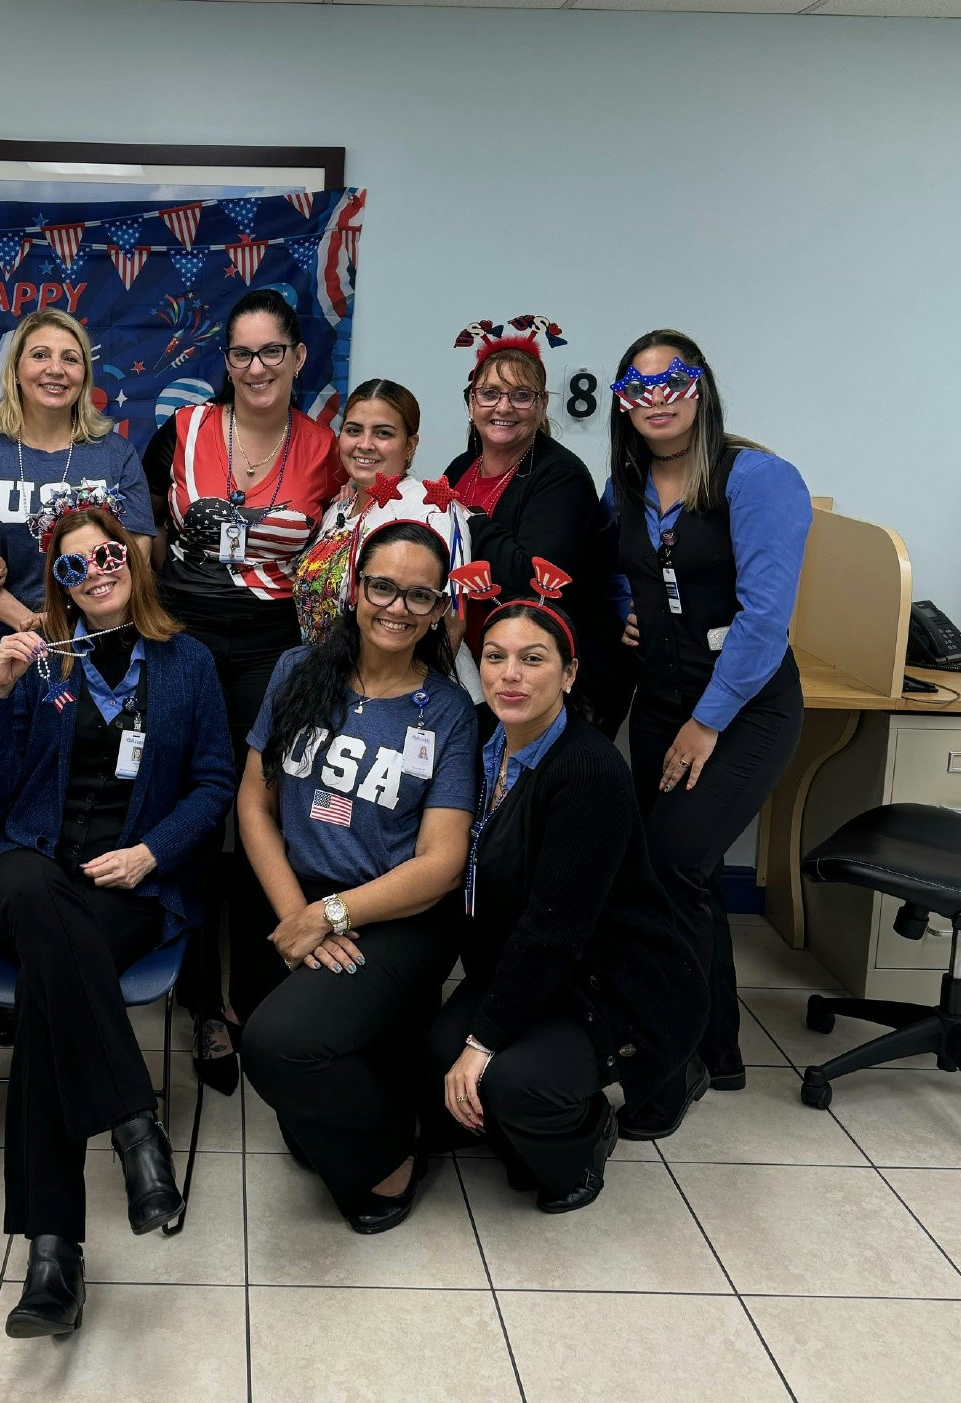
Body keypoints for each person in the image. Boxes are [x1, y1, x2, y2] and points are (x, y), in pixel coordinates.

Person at [0, 491, 233, 1340]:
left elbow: (214, 784)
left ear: (133, 560)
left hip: (127, 883)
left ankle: (53, 1255)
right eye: (75, 564)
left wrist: (152, 854)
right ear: (59, 583)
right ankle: (134, 1122)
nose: (97, 572)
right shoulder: (38, 662)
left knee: (50, 981)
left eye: (110, 554)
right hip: (21, 865)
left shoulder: (188, 663)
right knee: (40, 903)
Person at [427, 573, 708, 1214]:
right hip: (536, 969)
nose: (510, 676)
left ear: (570, 674)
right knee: (440, 1058)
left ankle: (586, 1145)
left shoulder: (586, 772)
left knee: (509, 1083)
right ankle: (531, 1101)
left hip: (612, 982)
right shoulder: (479, 739)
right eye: (495, 657)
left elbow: (554, 930)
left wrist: (484, 1042)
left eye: (533, 660)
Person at [239, 517, 478, 1234]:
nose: (396, 607)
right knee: (299, 1080)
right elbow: (254, 800)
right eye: (382, 586)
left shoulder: (451, 712)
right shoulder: (297, 670)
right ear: (354, 588)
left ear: (439, 610)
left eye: (419, 596)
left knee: (276, 1045)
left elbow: (441, 863)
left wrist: (332, 915)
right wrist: (298, 915)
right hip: (302, 900)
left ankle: (395, 1153)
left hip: (398, 914)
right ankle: (375, 1107)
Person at [142, 287, 345, 1091]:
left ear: (298, 358)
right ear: (223, 362)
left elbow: (342, 553)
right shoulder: (184, 430)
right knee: (192, 811)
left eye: (271, 352)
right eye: (239, 353)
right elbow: (141, 541)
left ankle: (261, 999)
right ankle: (201, 1005)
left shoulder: (329, 448)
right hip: (184, 641)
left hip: (275, 649)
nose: (255, 367)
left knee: (263, 815)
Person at [604, 329, 811, 1095]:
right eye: (638, 386)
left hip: (745, 707)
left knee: (674, 863)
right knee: (684, 874)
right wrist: (630, 608)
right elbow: (619, 568)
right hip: (662, 697)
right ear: (622, 403)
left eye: (673, 381)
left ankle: (677, 1047)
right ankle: (716, 1046)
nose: (656, 398)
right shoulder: (624, 485)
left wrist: (707, 721)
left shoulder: (757, 479)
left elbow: (764, 621)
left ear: (702, 388)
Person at [0, 308, 156, 711]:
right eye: (40, 355)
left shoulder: (115, 454)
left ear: (84, 376)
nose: (56, 369)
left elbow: (137, 553)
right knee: (6, 767)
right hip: (5, 653)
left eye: (70, 359)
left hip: (97, 648)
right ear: (16, 370)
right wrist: (30, 623)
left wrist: (79, 622)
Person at [444, 331, 628, 734]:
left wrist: (468, 519)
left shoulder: (562, 477)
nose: (503, 407)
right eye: (489, 393)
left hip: (555, 684)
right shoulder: (462, 467)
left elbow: (531, 577)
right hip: (481, 672)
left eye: (521, 395)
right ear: (472, 402)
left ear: (542, 404)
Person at [292, 379, 421, 646]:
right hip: (319, 676)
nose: (365, 444)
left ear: (410, 445)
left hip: (385, 683)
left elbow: (451, 619)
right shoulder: (336, 510)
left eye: (383, 433)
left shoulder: (426, 510)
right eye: (353, 430)